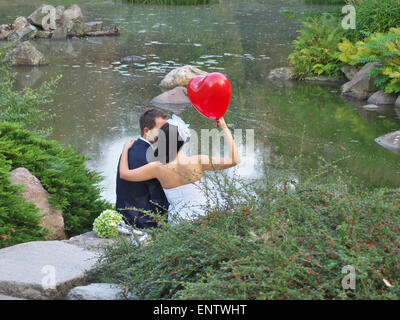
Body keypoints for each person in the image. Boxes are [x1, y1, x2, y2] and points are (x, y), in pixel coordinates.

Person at [119, 114, 241, 224]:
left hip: (178, 223)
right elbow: (234, 160)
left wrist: (125, 149)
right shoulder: (197, 161)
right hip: (204, 218)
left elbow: (124, 174)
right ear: (183, 140)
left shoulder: (156, 167)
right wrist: (225, 128)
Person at [115, 108, 170, 231]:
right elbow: (159, 197)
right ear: (146, 131)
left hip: (125, 215)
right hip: (145, 221)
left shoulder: (130, 148)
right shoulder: (151, 158)